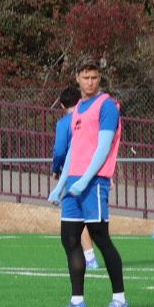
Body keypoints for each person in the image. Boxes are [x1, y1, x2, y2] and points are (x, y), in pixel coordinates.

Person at [47, 61, 127, 307]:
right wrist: (62, 184)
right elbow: (73, 150)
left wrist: (85, 179)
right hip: (74, 183)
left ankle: (120, 300)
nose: (90, 82)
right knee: (70, 239)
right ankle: (77, 302)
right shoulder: (79, 108)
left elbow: (103, 147)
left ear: (99, 78)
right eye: (85, 77)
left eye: (94, 77)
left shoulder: (107, 106)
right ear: (78, 78)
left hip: (94, 183)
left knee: (100, 238)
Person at [51, 85, 98, 272]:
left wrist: (56, 168)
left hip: (75, 172)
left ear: (62, 105)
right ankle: (89, 255)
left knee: (75, 217)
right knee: (89, 216)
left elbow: (60, 150)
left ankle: (89, 257)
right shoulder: (87, 118)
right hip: (92, 170)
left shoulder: (64, 123)